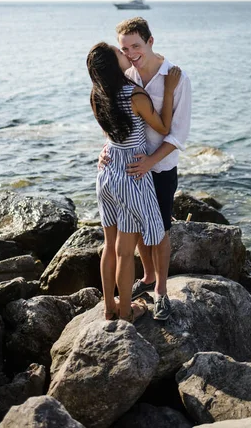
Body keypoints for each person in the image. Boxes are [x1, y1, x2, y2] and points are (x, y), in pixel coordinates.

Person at [87, 42, 181, 323]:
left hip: (107, 172)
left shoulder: (97, 95)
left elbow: (110, 133)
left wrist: (105, 151)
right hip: (130, 173)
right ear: (114, 65)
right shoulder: (135, 95)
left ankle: (109, 308)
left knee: (109, 245)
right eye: (119, 53)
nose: (124, 53)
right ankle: (127, 313)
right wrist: (168, 89)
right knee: (126, 251)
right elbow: (164, 128)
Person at [109, 17, 191, 321]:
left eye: (136, 45)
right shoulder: (125, 76)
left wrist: (150, 162)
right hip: (130, 167)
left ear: (151, 41)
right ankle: (146, 278)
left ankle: (161, 292)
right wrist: (107, 151)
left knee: (160, 232)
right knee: (137, 228)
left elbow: (177, 134)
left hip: (160, 168)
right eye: (124, 48)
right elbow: (115, 124)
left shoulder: (177, 78)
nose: (131, 53)